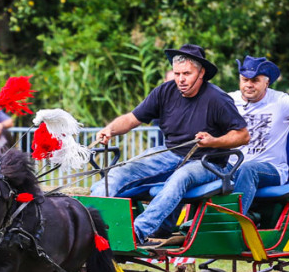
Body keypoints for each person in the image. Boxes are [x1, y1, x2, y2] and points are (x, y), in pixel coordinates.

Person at [92, 44, 248, 246]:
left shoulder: (217, 99)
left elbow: (242, 136)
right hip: (171, 154)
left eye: (187, 73)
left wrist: (214, 141)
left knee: (179, 177)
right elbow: (132, 118)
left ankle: (135, 233)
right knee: (122, 171)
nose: (181, 79)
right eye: (177, 74)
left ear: (201, 73)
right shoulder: (164, 91)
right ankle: (91, 226)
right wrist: (110, 130)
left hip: (209, 162)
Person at [226, 55, 289, 213]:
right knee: (204, 167)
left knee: (248, 169)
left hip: (270, 169)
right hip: (233, 167)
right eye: (245, 80)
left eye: (255, 81)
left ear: (266, 82)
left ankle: (232, 224)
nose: (249, 85)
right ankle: (188, 227)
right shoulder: (229, 100)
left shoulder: (281, 102)